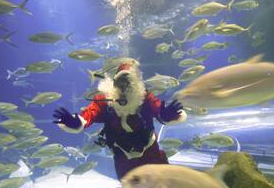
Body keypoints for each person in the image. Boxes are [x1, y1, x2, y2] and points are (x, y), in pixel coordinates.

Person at [53, 61, 187, 180]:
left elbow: (158, 108)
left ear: (137, 84)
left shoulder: (145, 98)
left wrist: (167, 115)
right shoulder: (104, 101)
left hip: (149, 150)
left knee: (163, 180)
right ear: (114, 84)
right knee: (131, 187)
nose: (124, 88)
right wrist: (78, 122)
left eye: (129, 83)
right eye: (120, 83)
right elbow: (90, 114)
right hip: (122, 155)